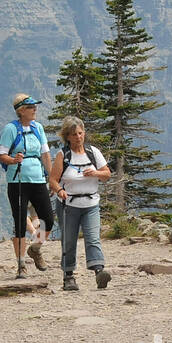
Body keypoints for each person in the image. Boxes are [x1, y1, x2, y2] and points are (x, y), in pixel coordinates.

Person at [48, 117, 113, 291]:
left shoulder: (93, 153)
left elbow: (107, 174)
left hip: (91, 203)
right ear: (67, 136)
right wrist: (59, 191)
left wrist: (96, 173)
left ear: (84, 133)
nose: (78, 137)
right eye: (74, 134)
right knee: (69, 241)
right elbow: (53, 180)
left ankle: (99, 272)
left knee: (93, 238)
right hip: (68, 205)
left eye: (80, 133)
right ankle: (68, 276)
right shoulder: (64, 155)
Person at [0, 94, 54, 278]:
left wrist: (52, 178)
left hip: (38, 179)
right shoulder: (10, 129)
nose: (34, 109)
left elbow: (45, 155)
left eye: (34, 106)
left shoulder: (39, 128)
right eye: (31, 107)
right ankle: (21, 264)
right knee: (20, 222)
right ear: (21, 110)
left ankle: (35, 248)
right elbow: (1, 155)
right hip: (17, 180)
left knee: (48, 219)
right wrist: (13, 160)